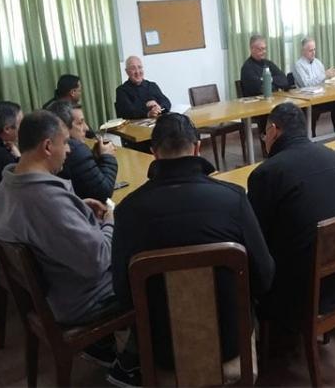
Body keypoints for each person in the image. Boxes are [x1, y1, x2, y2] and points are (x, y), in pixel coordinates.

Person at [110, 113, 275, 386]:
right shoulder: (233, 199)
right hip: (229, 342)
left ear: (153, 153)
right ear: (198, 147)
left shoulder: (128, 210)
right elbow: (264, 277)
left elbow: (123, 294)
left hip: (163, 350)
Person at [0, 110, 116, 326]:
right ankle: (131, 352)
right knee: (147, 265)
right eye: (65, 142)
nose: (68, 150)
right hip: (84, 299)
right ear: (48, 146)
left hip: (53, 291)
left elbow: (44, 224)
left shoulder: (5, 188)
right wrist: (110, 221)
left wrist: (76, 208)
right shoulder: (47, 201)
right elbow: (99, 260)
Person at [247, 102, 335, 330]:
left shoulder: (266, 173)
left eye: (263, 134)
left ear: (273, 130)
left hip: (301, 292)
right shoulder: (331, 157)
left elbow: (257, 237)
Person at [47, 101, 118, 202]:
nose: (87, 128)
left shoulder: (54, 146)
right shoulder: (75, 148)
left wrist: (95, 158)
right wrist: (108, 157)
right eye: (80, 123)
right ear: (63, 127)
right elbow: (104, 193)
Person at [292, 37, 335, 132]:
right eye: (310, 50)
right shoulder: (298, 65)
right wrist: (325, 75)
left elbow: (323, 82)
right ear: (303, 51)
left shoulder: (318, 63)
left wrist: (333, 77)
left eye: (314, 49)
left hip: (321, 96)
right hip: (308, 99)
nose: (313, 52)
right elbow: (306, 84)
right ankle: (311, 135)